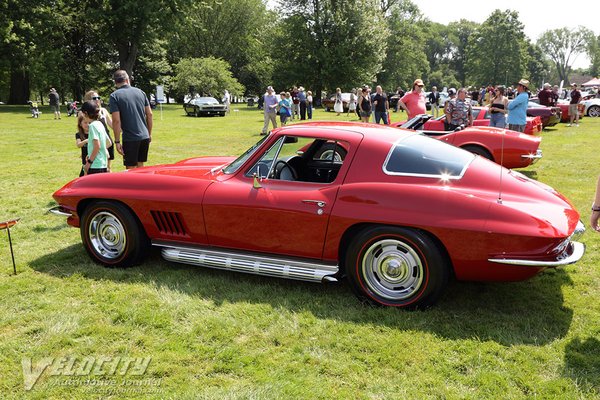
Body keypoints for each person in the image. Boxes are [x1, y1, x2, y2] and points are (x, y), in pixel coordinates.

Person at [108, 70, 153, 169]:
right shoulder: (141, 92)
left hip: (130, 138)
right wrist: (149, 134)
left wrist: (117, 141)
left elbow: (116, 121)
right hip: (144, 136)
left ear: (115, 82)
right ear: (127, 79)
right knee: (141, 167)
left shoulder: (114, 96)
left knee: (131, 170)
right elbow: (149, 114)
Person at [84, 90, 115, 171]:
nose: (97, 99)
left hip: (104, 143)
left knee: (107, 168)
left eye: (98, 97)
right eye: (94, 98)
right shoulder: (89, 117)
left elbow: (112, 125)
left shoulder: (102, 112)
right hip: (95, 144)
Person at [80, 101, 111, 175]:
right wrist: (91, 153)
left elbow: (97, 146)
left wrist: (89, 162)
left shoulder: (92, 126)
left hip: (95, 165)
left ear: (86, 113)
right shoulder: (100, 124)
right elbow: (109, 143)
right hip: (103, 163)